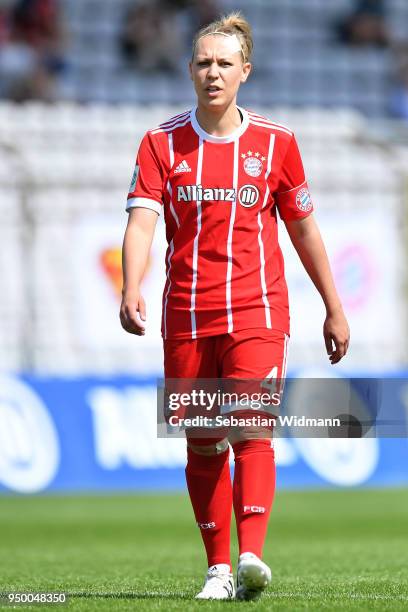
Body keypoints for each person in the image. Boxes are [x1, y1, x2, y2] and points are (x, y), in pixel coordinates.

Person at [120, 11, 350, 601]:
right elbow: (143, 223)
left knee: (250, 428)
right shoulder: (160, 143)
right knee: (202, 440)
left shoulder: (277, 144)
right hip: (188, 316)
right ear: (189, 70)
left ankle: (251, 556)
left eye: (224, 63)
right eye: (203, 62)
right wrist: (130, 286)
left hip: (258, 312)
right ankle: (217, 569)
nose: (213, 73)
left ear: (245, 72)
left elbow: (303, 230)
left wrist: (333, 305)